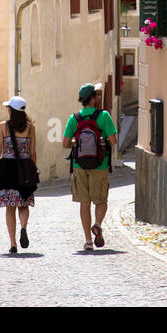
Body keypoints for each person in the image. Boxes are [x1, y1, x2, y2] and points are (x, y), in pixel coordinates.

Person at [63, 82, 118, 250]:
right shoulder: (104, 116)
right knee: (101, 200)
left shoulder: (74, 118)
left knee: (84, 203)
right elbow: (113, 141)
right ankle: (98, 224)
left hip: (79, 165)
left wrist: (79, 141)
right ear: (93, 98)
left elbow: (65, 143)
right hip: (99, 165)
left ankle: (88, 241)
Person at [0, 96, 38, 254]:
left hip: (8, 169)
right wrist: (33, 170)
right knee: (23, 203)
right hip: (24, 169)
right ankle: (23, 227)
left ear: (10, 110)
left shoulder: (3, 127)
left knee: (10, 207)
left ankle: (13, 243)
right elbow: (33, 152)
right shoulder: (30, 128)